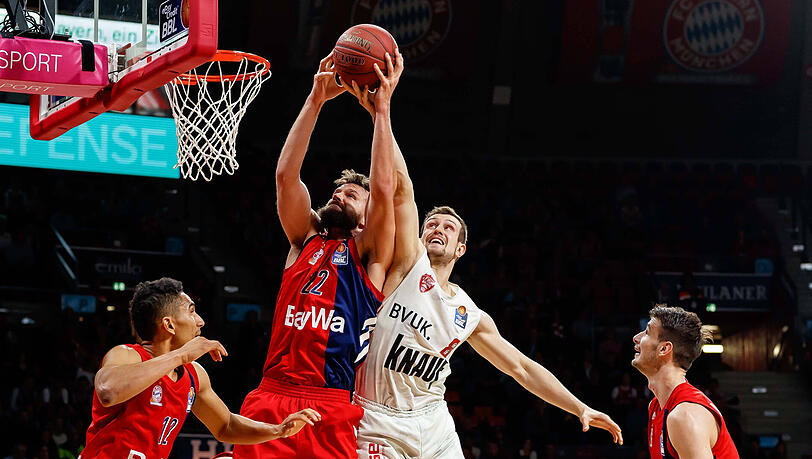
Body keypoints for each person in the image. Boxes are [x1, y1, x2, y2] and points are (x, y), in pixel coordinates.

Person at [346, 49, 622, 458]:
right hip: (377, 419)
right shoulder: (405, 266)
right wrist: (380, 114)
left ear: (461, 249)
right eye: (431, 224)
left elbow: (521, 367)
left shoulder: (468, 313)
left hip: (433, 423)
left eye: (448, 227)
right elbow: (401, 189)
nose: (437, 228)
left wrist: (579, 407)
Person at [232, 53, 395, 458]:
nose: (339, 195)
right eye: (337, 191)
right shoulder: (303, 240)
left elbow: (384, 189)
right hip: (272, 395)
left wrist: (381, 112)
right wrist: (315, 99)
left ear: (365, 218)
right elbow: (286, 176)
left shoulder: (369, 255)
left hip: (330, 403)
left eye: (352, 195)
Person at [80, 278, 320, 459]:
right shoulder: (127, 355)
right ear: (169, 325)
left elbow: (226, 425)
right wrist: (181, 355)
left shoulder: (194, 375)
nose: (201, 321)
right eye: (192, 311)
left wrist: (278, 430)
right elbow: (108, 391)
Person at [631, 305, 739, 458]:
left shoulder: (685, 416)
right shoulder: (656, 407)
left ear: (664, 349)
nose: (636, 338)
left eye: (647, 332)